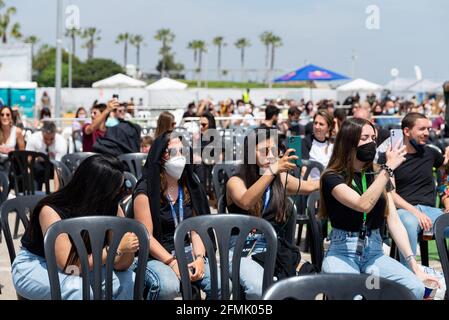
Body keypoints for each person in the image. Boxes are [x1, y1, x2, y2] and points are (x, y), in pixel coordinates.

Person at [320, 118, 440, 300]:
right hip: (343, 252)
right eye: (365, 138)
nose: (371, 143)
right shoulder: (332, 176)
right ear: (348, 142)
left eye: (373, 138)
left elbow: (393, 219)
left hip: (373, 253)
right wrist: (387, 170)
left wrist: (414, 266)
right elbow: (363, 204)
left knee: (414, 289)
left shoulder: (378, 173)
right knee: (356, 297)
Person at [12, 154, 139, 300]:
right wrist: (115, 250)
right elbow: (69, 265)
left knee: (128, 281)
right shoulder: (51, 210)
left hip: (87, 262)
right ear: (98, 190)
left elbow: (121, 266)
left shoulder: (111, 205)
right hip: (38, 263)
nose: (123, 192)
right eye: (119, 188)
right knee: (76, 289)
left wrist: (126, 249)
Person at [226, 128, 320, 299]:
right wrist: (273, 170)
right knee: (258, 287)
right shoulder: (235, 181)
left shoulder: (280, 179)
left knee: (308, 279)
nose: (270, 156)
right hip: (243, 249)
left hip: (273, 247)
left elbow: (310, 186)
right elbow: (247, 201)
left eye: (274, 151)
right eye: (264, 151)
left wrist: (338, 174)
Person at [132, 132, 216, 299]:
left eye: (183, 151)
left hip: (188, 251)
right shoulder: (145, 191)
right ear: (160, 156)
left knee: (222, 283)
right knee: (168, 286)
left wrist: (199, 258)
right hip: (157, 255)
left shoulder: (191, 185)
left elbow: (196, 229)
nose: (179, 156)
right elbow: (146, 236)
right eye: (172, 152)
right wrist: (172, 262)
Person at [377, 113, 449, 267]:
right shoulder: (391, 157)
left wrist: (446, 201)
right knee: (408, 221)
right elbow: (392, 195)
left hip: (431, 212)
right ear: (406, 131)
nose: (426, 133)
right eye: (421, 129)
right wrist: (416, 213)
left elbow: (444, 172)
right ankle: (411, 278)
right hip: (404, 211)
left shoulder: (431, 153)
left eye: (428, 129)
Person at [301, 109, 335, 180]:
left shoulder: (333, 144)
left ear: (329, 127)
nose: (317, 127)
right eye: (315, 123)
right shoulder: (305, 142)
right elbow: (303, 170)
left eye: (321, 124)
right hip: (311, 187)